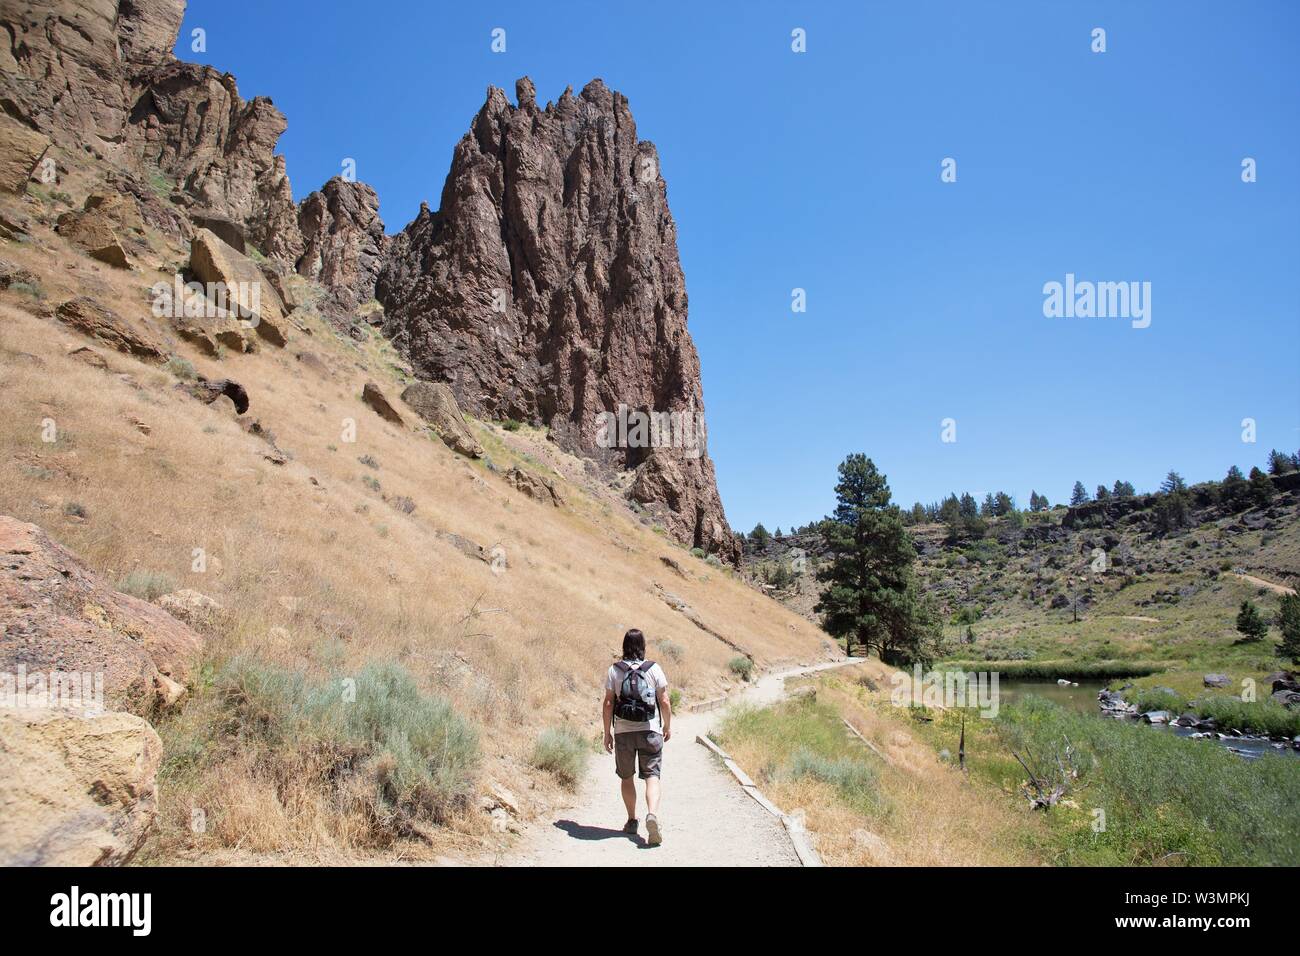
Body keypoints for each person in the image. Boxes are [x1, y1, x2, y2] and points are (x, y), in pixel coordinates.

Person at [602, 628, 671, 845]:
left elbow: (608, 704)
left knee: (626, 777)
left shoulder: (615, 670)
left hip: (623, 732)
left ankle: (632, 820)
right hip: (650, 729)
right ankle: (652, 814)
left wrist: (607, 733)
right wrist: (667, 726)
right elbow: (665, 701)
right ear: (643, 646)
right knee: (652, 776)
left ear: (624, 646)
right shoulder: (653, 669)